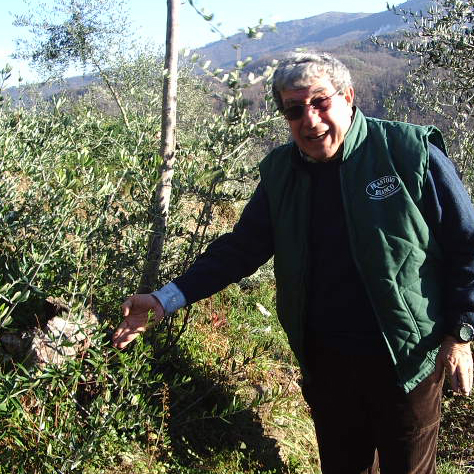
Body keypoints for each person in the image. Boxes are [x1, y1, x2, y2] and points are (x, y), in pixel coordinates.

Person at [113, 52, 474, 474]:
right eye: (295, 110)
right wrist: (165, 299)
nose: (310, 120)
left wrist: (460, 333)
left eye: (320, 102)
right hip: (326, 363)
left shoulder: (408, 152)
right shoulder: (280, 173)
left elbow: (466, 244)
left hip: (405, 359)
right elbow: (240, 250)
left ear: (348, 97)